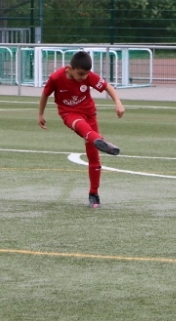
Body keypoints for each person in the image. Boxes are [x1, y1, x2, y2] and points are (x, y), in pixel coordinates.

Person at [38, 50, 125, 208]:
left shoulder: (88, 76)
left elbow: (108, 87)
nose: (84, 77)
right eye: (80, 74)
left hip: (89, 114)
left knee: (94, 158)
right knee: (82, 127)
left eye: (86, 74)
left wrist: (118, 103)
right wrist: (40, 114)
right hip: (69, 114)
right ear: (70, 68)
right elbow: (45, 95)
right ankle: (99, 140)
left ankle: (94, 194)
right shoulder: (56, 78)